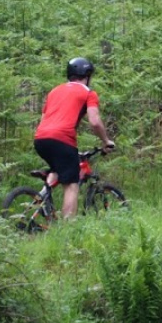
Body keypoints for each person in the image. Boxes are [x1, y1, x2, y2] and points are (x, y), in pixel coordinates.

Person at [33, 56, 115, 219]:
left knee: (58, 170)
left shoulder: (54, 91)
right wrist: (106, 141)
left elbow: (43, 120)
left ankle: (40, 201)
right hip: (62, 139)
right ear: (87, 75)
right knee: (71, 183)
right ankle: (67, 227)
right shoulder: (88, 93)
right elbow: (95, 121)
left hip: (40, 138)